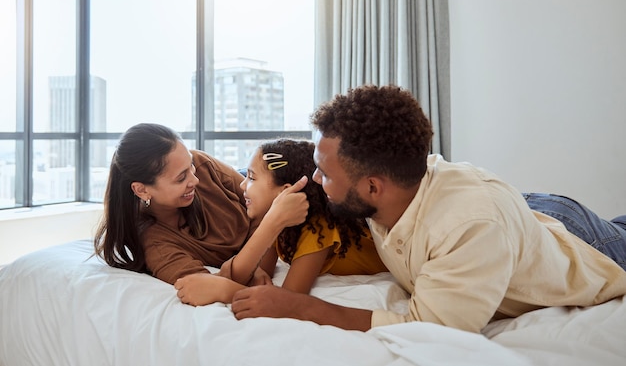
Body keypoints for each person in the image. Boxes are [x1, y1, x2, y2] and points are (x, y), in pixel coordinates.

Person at [229, 84, 626, 334]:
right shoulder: (389, 189)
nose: (316, 181)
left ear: (372, 187)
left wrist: (296, 307)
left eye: (325, 175)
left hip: (585, 239)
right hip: (524, 214)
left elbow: (426, 327)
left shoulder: (468, 228)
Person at [93, 123, 308, 302]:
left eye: (190, 166)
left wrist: (255, 261)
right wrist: (248, 266)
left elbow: (260, 206)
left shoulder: (203, 166)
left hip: (259, 184)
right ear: (142, 189)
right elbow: (205, 286)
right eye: (180, 178)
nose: (195, 180)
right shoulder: (156, 244)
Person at [174, 138, 387, 303]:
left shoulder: (318, 229)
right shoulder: (279, 221)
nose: (242, 185)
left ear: (285, 192)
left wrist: (225, 290)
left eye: (252, 178)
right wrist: (255, 271)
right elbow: (260, 270)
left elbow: (289, 299)